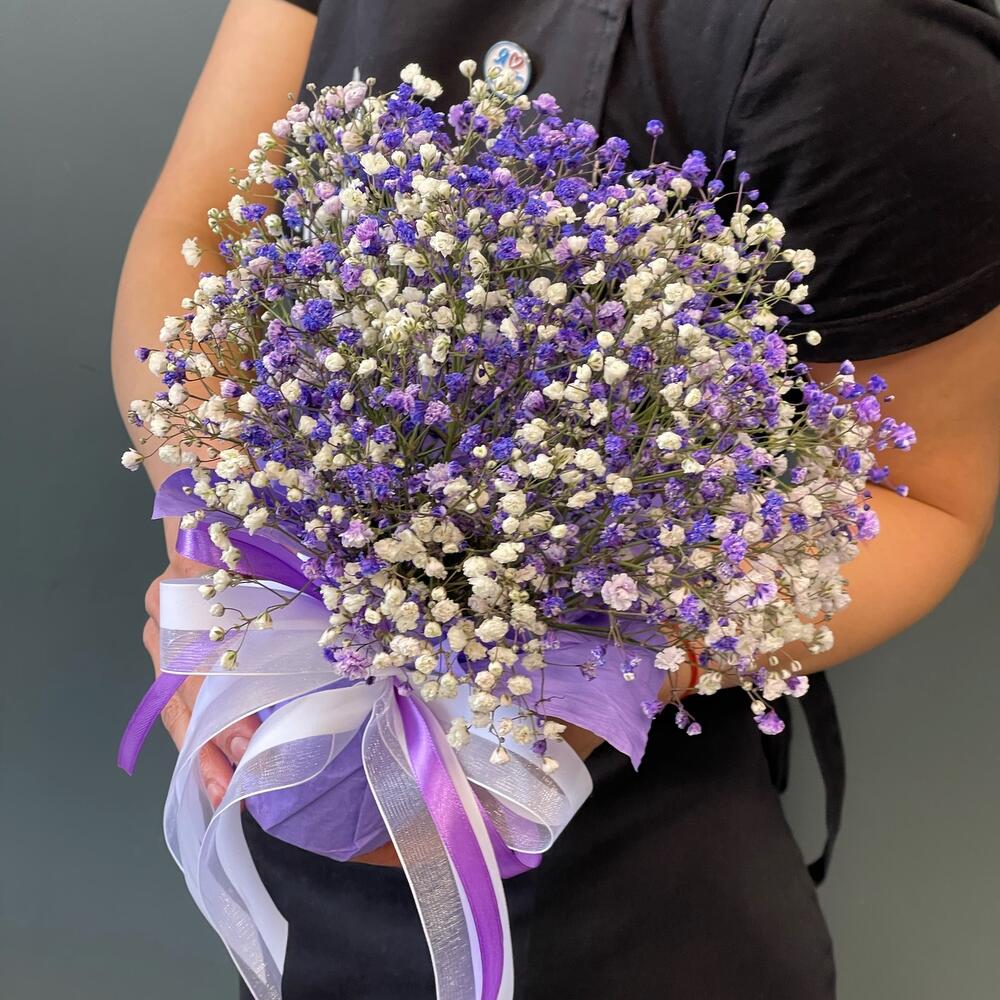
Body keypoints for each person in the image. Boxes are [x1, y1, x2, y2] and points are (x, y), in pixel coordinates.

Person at [111, 0, 1000, 996]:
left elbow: (914, 496)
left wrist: (607, 666)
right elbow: (194, 242)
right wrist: (226, 546)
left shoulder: (863, 38)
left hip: (614, 876)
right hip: (296, 792)